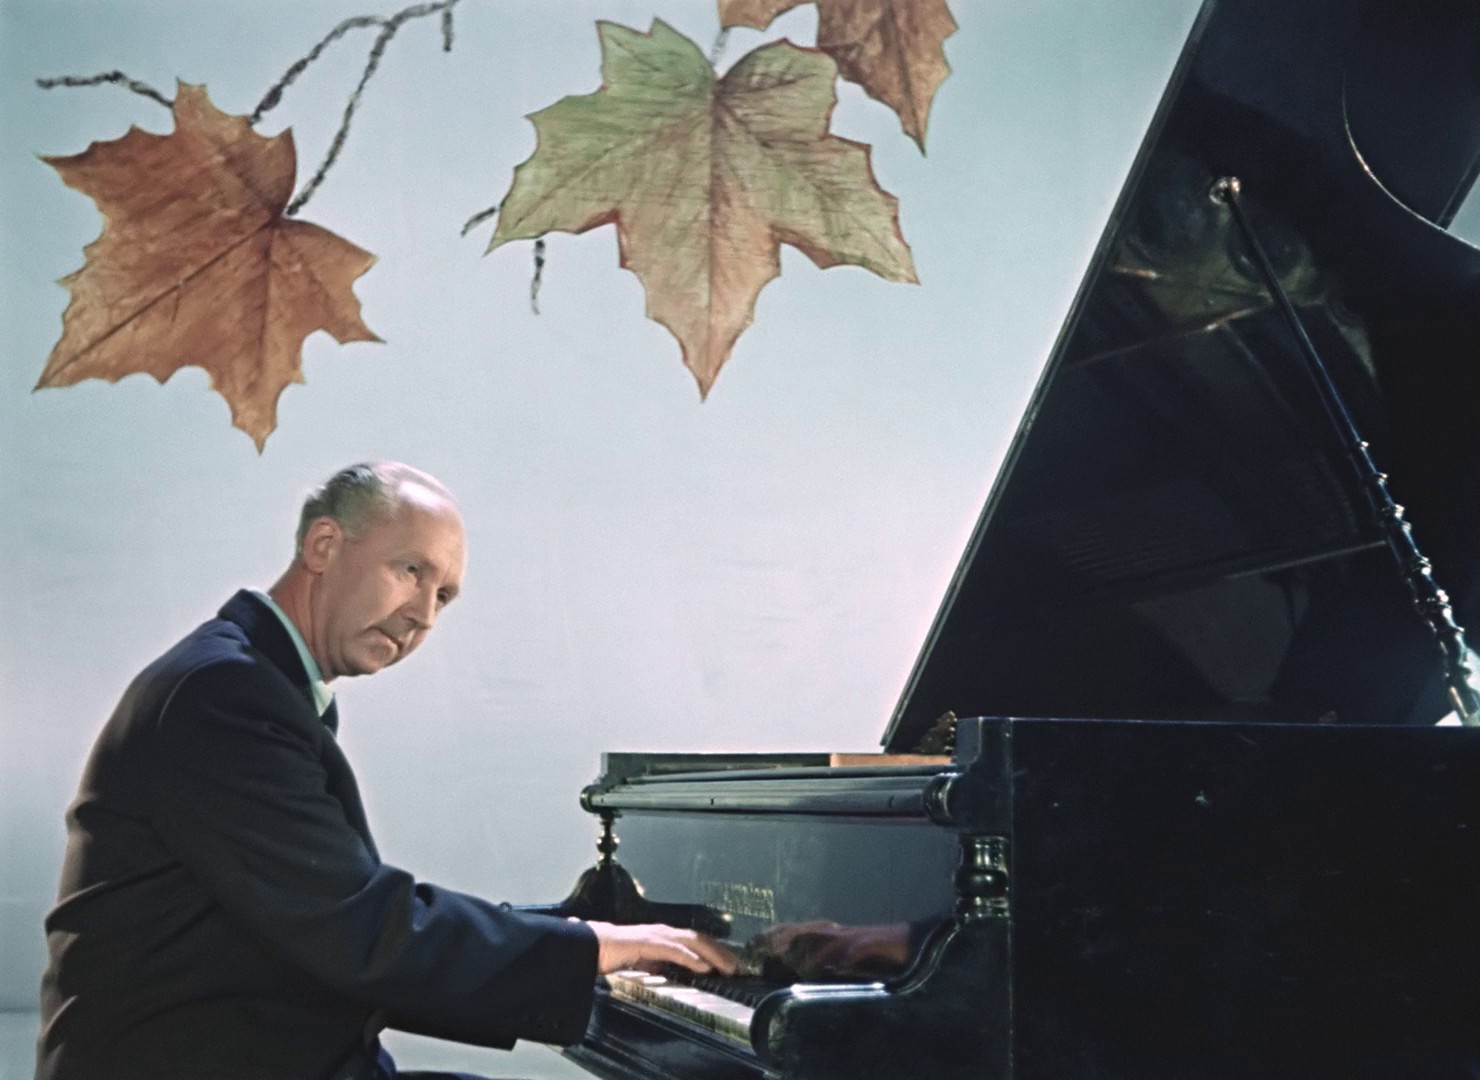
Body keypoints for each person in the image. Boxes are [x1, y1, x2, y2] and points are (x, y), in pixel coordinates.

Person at [36, 461, 735, 1080]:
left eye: (444, 596)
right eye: (410, 571)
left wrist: (584, 933)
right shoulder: (225, 695)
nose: (422, 616)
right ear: (323, 546)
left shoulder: (255, 682)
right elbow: (358, 929)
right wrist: (589, 947)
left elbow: (340, 919)